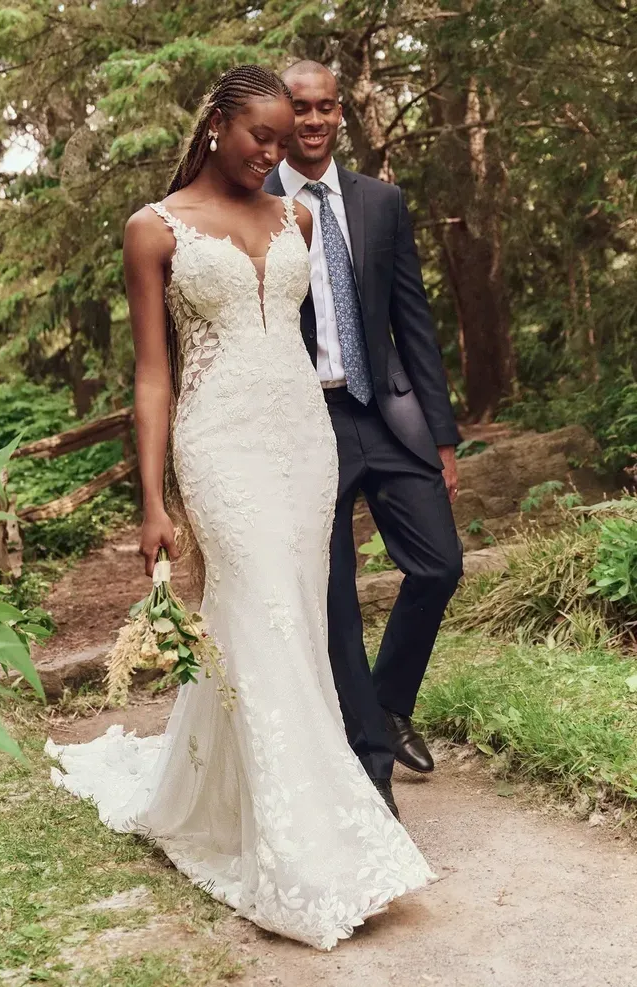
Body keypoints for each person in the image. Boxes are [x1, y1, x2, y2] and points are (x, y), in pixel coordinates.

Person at [46, 65, 433, 952]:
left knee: (288, 622)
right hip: (218, 443)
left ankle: (246, 795)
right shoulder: (155, 229)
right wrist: (154, 497)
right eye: (260, 133)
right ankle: (311, 848)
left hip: (303, 442)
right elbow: (153, 375)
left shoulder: (295, 215)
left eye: (283, 132)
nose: (275, 149)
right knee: (257, 612)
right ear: (216, 124)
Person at [264, 61, 463, 815]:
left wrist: (442, 438)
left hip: (388, 412)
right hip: (305, 421)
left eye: (324, 108)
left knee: (440, 564)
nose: (312, 122)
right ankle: (370, 764)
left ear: (341, 114)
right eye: (299, 110)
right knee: (337, 596)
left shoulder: (382, 200)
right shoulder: (255, 202)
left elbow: (413, 320)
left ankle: (386, 700)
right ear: (283, 119)